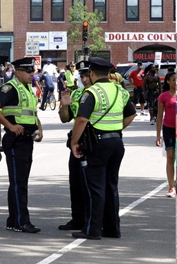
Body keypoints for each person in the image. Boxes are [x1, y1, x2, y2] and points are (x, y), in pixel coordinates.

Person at [69, 57, 136, 240]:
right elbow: (132, 114)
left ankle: (93, 229)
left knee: (95, 188)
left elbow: (81, 119)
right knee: (111, 186)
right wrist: (116, 127)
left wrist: (75, 142)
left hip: (97, 144)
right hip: (116, 142)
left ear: (91, 73)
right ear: (108, 73)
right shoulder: (119, 90)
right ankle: (113, 229)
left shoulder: (91, 92)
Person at [0, 57, 43, 233]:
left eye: (33, 71)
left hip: (27, 139)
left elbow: (32, 112)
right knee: (19, 183)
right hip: (16, 140)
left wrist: (39, 129)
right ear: (18, 71)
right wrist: (10, 126)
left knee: (19, 182)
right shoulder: (10, 87)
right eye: (28, 71)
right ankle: (21, 221)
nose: (31, 74)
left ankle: (14, 220)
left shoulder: (27, 88)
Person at [57, 60, 91, 231]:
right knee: (75, 182)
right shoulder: (76, 94)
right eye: (82, 76)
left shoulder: (97, 93)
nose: (84, 80)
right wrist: (64, 104)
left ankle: (91, 220)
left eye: (87, 76)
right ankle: (77, 218)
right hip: (77, 142)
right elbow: (65, 118)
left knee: (90, 184)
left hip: (93, 142)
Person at [156, 72, 176, 198]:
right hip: (169, 128)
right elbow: (159, 116)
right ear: (168, 81)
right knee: (170, 157)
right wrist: (158, 135)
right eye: (174, 79)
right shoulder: (163, 96)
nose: (176, 82)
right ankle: (171, 187)